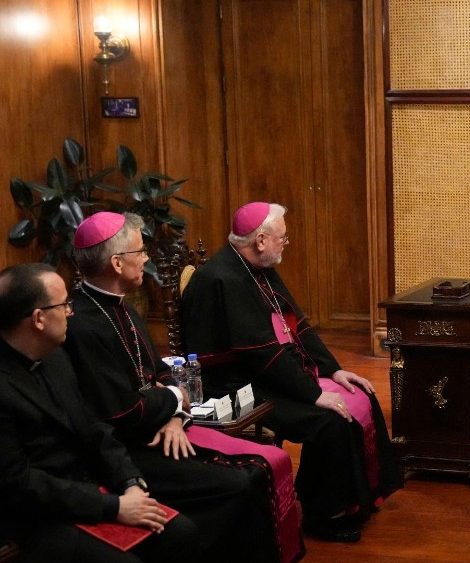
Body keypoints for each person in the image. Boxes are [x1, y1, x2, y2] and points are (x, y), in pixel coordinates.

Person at [63, 212, 301, 562]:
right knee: (239, 483)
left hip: (163, 428)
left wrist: (175, 413)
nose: (146, 259)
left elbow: (162, 371)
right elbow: (125, 411)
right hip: (130, 449)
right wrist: (176, 398)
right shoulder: (84, 325)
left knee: (253, 473)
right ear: (116, 263)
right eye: (140, 252)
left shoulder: (123, 307)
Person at [180, 202, 401, 542]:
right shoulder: (221, 278)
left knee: (361, 393)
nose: (287, 243)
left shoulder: (259, 267)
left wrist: (334, 371)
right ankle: (324, 515)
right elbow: (261, 353)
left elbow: (298, 327)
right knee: (328, 420)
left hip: (270, 374)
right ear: (261, 240)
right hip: (235, 387)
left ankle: (358, 500)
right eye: (283, 237)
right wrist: (315, 393)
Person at [0, 263, 199, 563]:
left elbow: (93, 428)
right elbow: (19, 483)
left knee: (182, 533)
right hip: (39, 517)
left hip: (90, 488)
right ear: (39, 319)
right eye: (64, 304)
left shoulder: (55, 357)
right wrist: (113, 506)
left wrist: (130, 482)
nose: (71, 311)